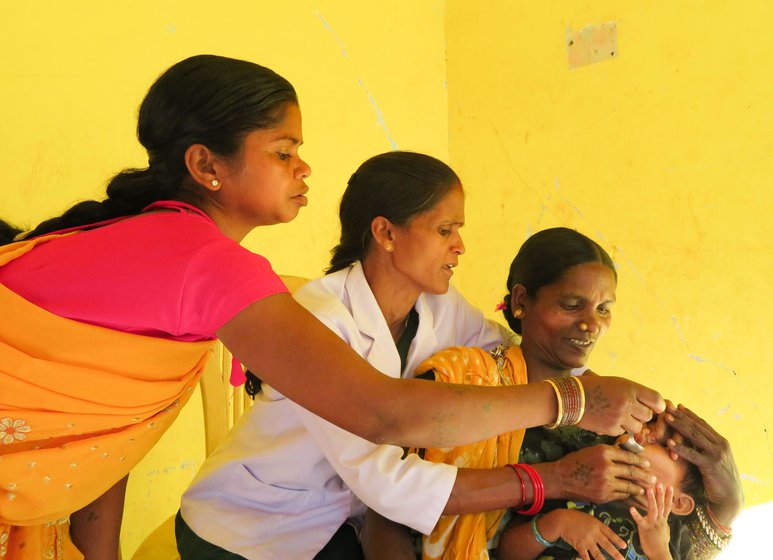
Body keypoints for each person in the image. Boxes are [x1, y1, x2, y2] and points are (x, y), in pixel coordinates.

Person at [0, 55, 665, 560]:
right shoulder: (216, 268)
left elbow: (105, 445)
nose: (304, 169)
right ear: (206, 165)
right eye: (284, 151)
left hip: (321, 525)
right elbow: (383, 412)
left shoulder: (173, 253)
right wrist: (569, 412)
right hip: (251, 534)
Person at [178, 150, 532, 559]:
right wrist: (542, 481)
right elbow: (386, 480)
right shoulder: (323, 318)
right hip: (250, 529)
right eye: (444, 230)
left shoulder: (440, 306)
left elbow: (511, 357)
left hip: (341, 522)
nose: (460, 246)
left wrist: (583, 386)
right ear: (386, 233)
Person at [396, 227, 741, 560]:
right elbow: (391, 501)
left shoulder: (616, 413)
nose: (591, 324)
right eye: (572, 304)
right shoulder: (470, 380)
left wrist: (728, 505)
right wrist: (558, 486)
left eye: (604, 308)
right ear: (521, 301)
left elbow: (668, 538)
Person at [498, 424, 707, 560]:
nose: (643, 433)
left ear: (679, 503)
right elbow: (506, 552)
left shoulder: (676, 541)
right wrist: (559, 523)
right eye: (648, 426)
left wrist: (659, 552)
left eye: (663, 445)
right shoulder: (584, 482)